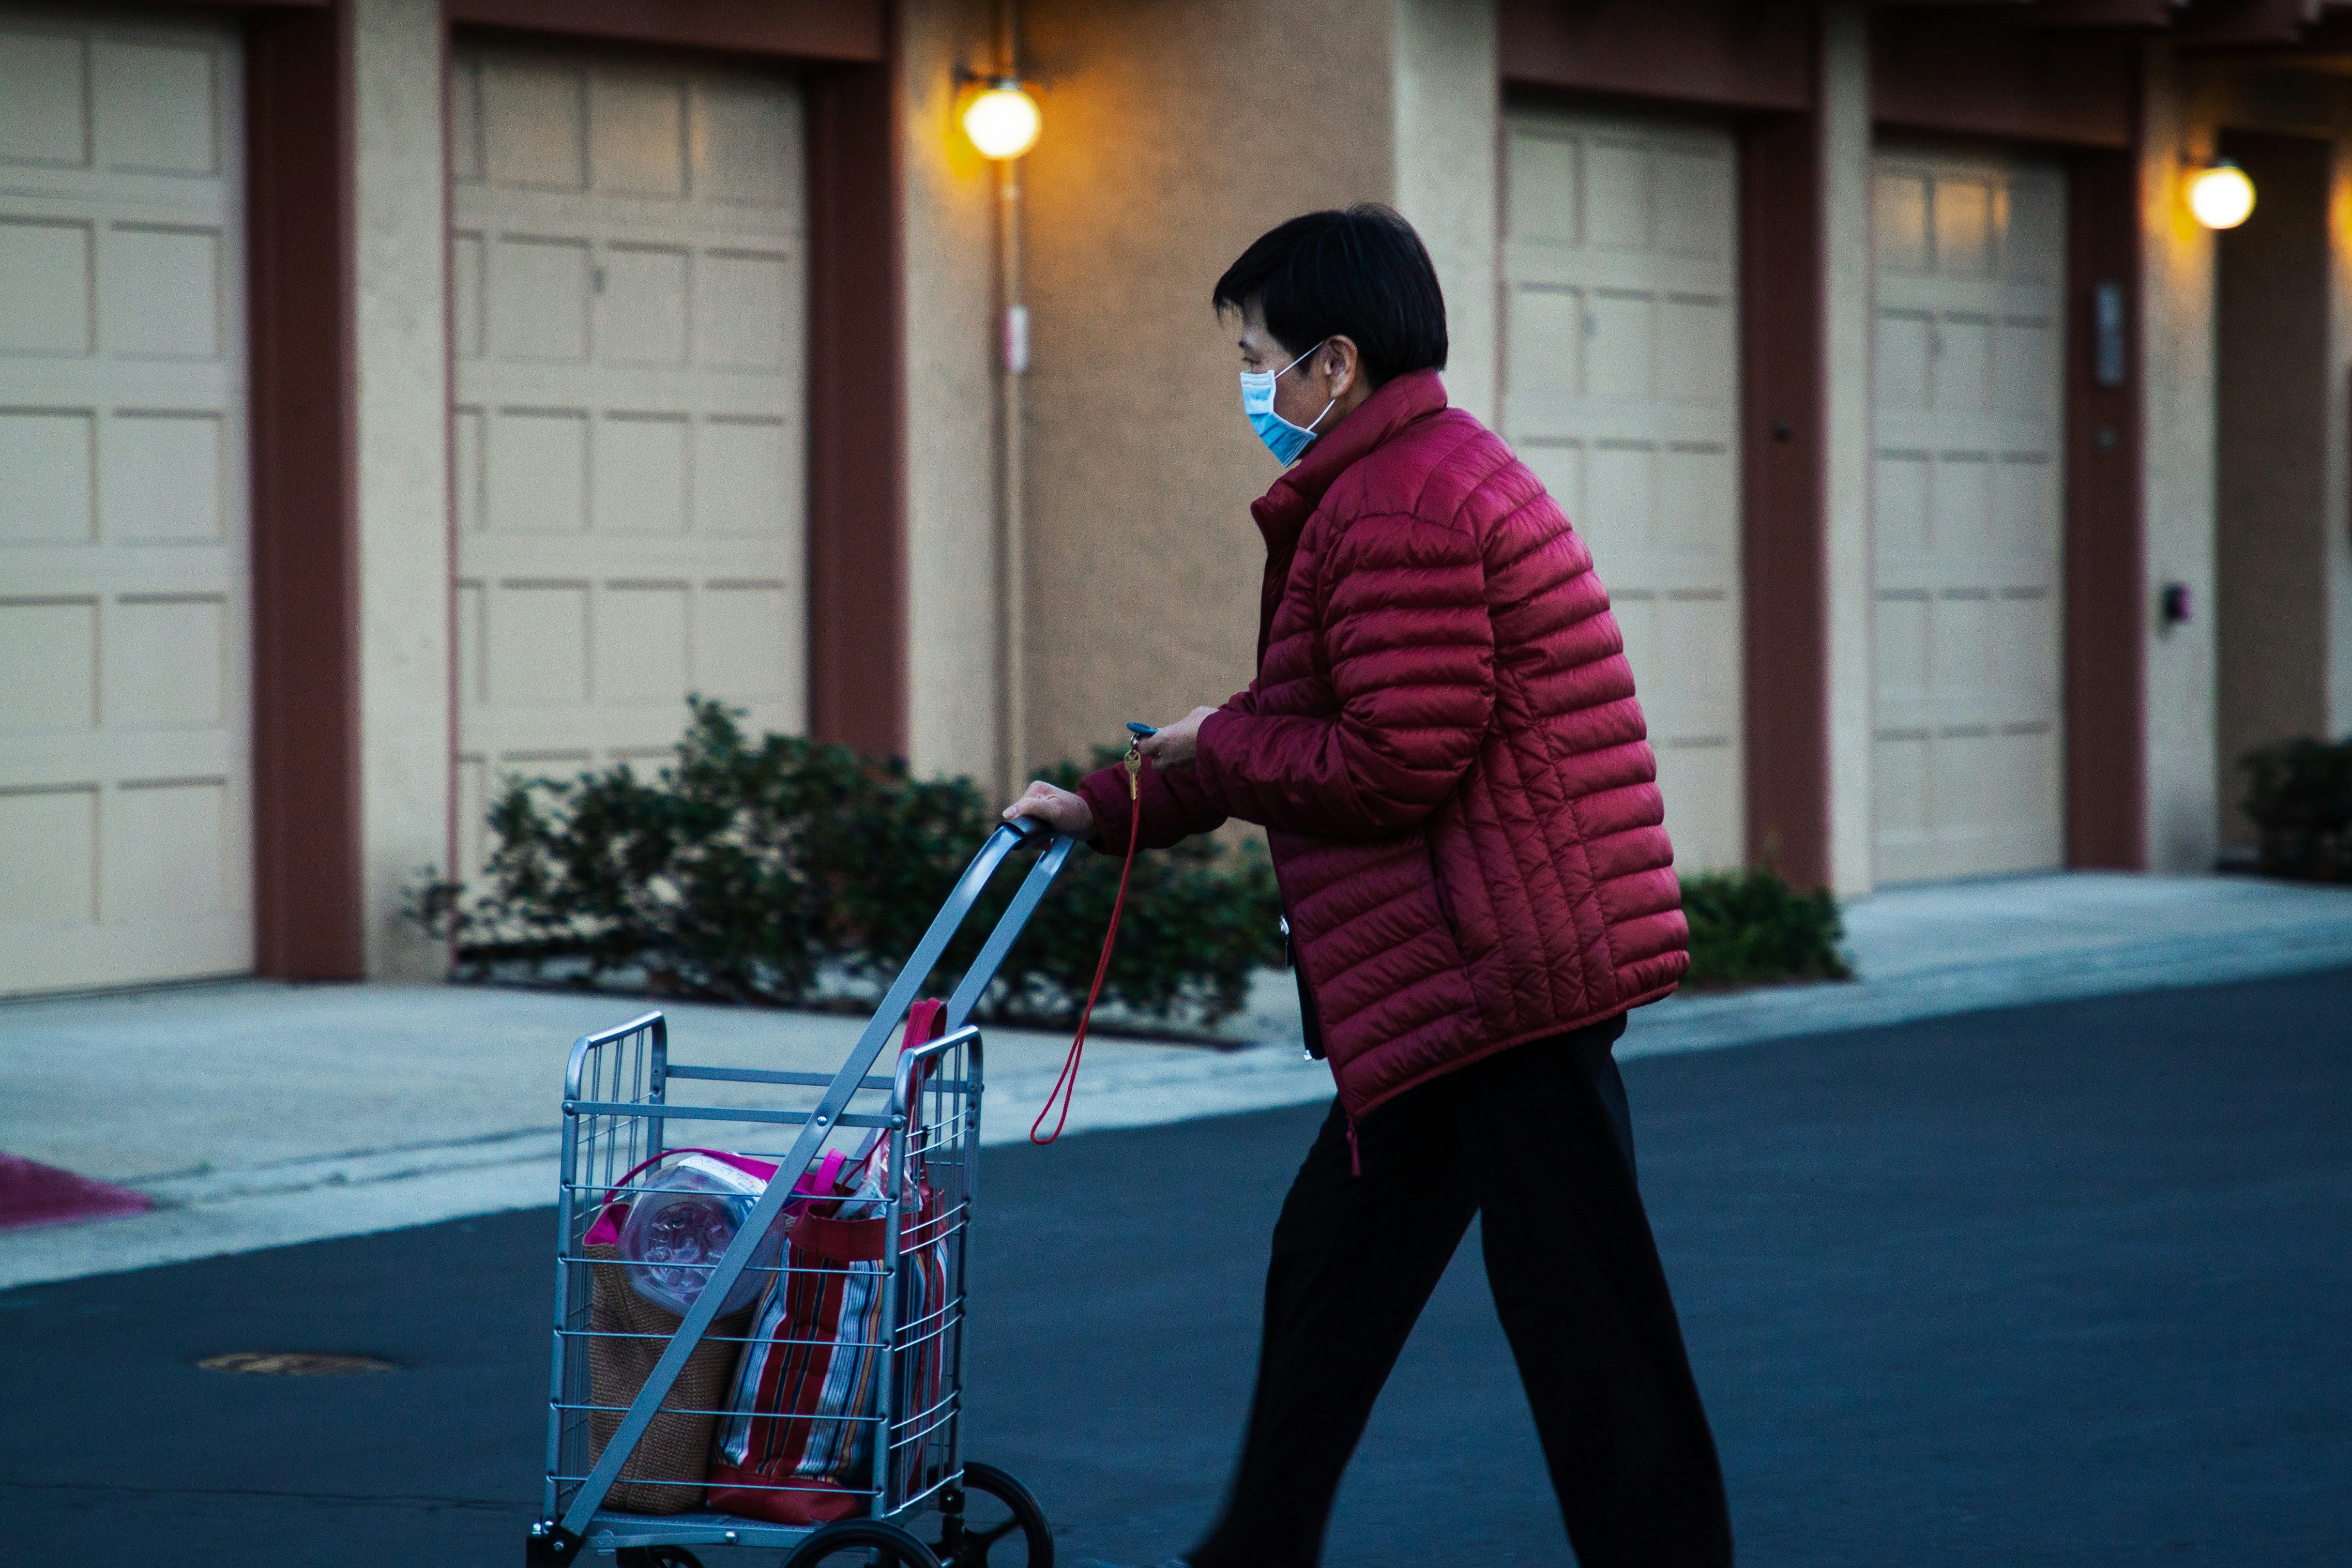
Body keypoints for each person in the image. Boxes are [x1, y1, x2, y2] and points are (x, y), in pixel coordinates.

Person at [1002, 204, 1733, 1568]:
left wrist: (1218, 742)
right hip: (1458, 982)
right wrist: (1109, 806)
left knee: (1586, 1322)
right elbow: (1300, 720)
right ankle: (1256, 1547)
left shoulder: (1404, 507)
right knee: (1331, 1270)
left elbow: (1393, 760)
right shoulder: (1398, 483)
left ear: (1333, 362)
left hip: (1495, 979)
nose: (1253, 387)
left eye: (1259, 355)